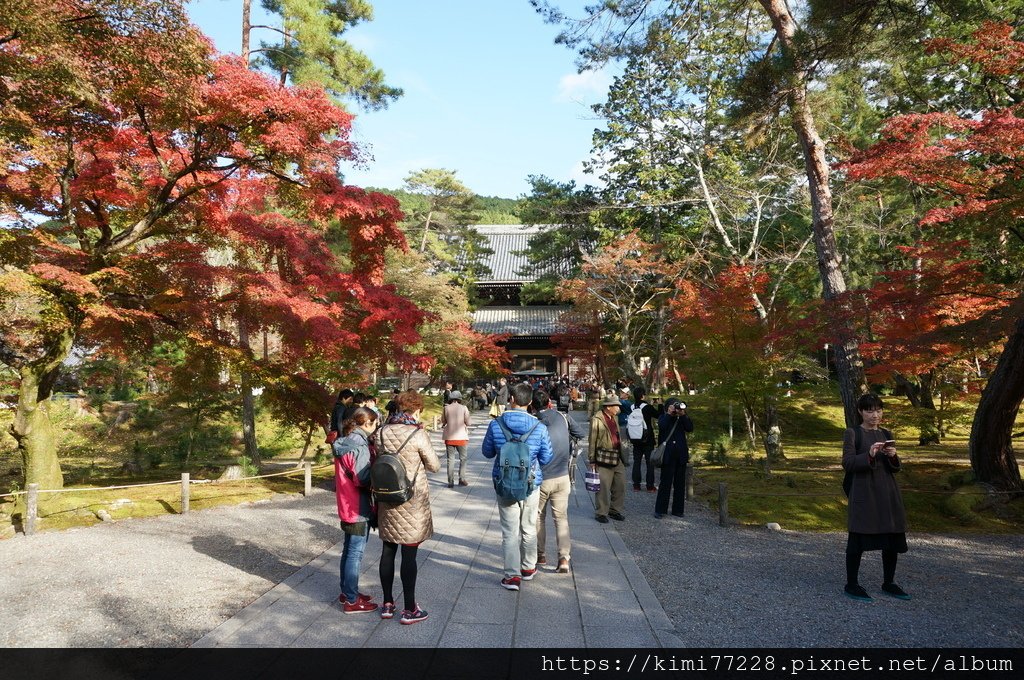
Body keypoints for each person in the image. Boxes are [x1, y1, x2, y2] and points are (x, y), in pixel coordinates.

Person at [375, 390, 440, 624]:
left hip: (387, 497)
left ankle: (387, 603)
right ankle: (410, 608)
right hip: (411, 500)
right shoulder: (417, 434)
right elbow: (434, 465)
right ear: (417, 409)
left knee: (387, 550)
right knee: (409, 554)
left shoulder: (381, 432)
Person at [482, 382, 553, 591]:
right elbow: (547, 457)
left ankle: (512, 576)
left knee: (509, 530)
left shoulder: (496, 425)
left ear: (511, 399)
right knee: (529, 527)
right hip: (531, 483)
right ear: (530, 402)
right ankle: (528, 568)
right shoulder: (539, 427)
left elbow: (487, 452)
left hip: (504, 483)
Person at [842, 393, 910, 602]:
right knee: (857, 539)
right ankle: (851, 583)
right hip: (864, 492)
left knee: (891, 537)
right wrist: (869, 455)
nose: (875, 415)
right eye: (870, 410)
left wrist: (893, 456)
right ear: (861, 411)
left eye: (878, 410)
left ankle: (888, 582)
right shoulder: (853, 433)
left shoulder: (886, 432)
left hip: (888, 493)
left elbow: (895, 469)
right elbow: (848, 463)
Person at [333, 407, 380, 614]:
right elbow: (362, 477)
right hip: (358, 505)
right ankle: (352, 600)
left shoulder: (346, 440)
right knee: (355, 553)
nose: (377, 426)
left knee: (348, 550)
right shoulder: (359, 444)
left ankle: (347, 591)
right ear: (366, 423)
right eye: (375, 422)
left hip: (346, 503)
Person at [533, 389, 584, 573]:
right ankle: (564, 559)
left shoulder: (534, 422)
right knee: (561, 518)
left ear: (532, 405)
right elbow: (580, 434)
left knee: (538, 517)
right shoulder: (564, 418)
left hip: (541, 477)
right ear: (549, 403)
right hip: (562, 476)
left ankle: (541, 555)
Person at [588, 393, 627, 524]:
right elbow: (592, 440)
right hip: (603, 457)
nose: (619, 408)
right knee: (603, 487)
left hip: (617, 456)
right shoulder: (597, 419)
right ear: (609, 406)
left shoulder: (614, 417)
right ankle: (601, 512)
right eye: (617, 406)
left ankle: (615, 510)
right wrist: (592, 460)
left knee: (620, 484)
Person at [654, 398, 694, 519]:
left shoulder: (681, 418)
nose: (675, 408)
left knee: (680, 484)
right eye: (673, 406)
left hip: (681, 455)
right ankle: (660, 509)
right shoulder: (663, 417)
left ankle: (678, 509)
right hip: (667, 455)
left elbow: (690, 428)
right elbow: (662, 426)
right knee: (665, 483)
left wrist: (683, 415)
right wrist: (668, 414)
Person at [628, 387, 660, 492]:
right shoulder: (647, 407)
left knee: (636, 462)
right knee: (649, 463)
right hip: (647, 438)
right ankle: (650, 486)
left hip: (635, 438)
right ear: (643, 395)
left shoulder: (631, 407)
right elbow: (659, 415)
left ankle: (636, 485)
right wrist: (659, 404)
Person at [441, 390, 471, 488]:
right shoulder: (464, 408)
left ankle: (450, 481)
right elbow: (468, 422)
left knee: (450, 459)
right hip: (461, 437)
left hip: (449, 437)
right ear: (459, 399)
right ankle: (462, 479)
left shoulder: (446, 408)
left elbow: (443, 421)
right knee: (463, 459)